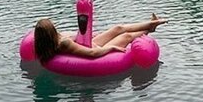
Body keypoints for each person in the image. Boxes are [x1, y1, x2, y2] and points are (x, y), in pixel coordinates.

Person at [34, 14, 166, 64]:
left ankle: (151, 24)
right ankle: (149, 29)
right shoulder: (63, 43)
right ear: (51, 32)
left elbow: (76, 39)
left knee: (118, 28)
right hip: (95, 50)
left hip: (88, 44)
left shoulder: (47, 44)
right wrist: (111, 47)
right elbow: (92, 53)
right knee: (126, 36)